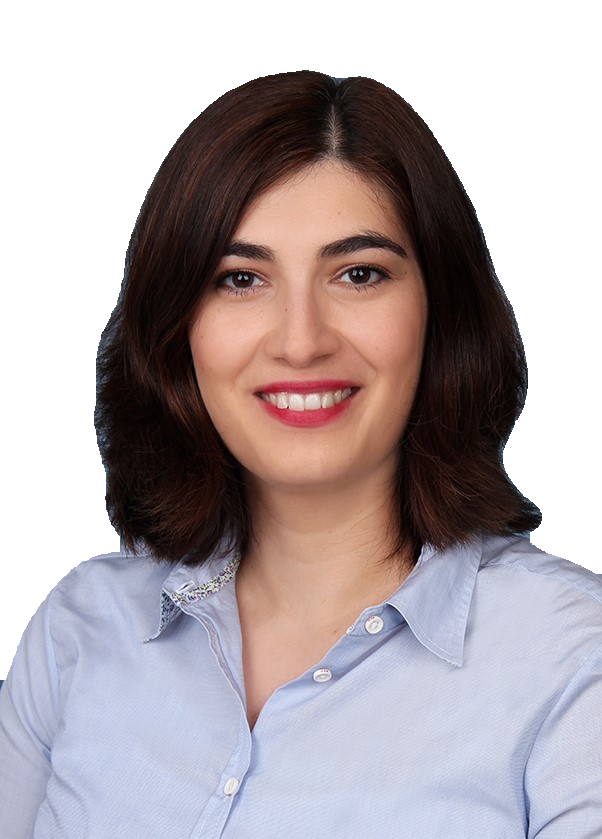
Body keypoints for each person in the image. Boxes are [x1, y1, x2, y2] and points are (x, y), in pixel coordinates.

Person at [0, 72, 600, 838]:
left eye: (359, 274)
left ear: (440, 313)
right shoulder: (79, 629)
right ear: (178, 329)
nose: (300, 340)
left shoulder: (572, 659)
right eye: (241, 279)